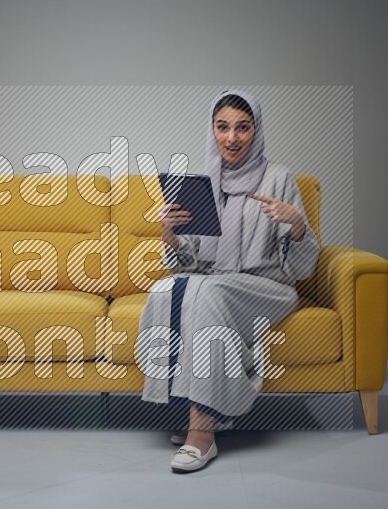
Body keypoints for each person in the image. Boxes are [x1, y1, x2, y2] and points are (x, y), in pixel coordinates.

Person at [136, 89, 320, 473]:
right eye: (222, 128)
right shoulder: (205, 181)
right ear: (213, 130)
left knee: (207, 289)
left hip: (265, 288)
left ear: (256, 131)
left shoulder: (279, 178)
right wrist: (168, 234)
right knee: (165, 289)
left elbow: (302, 269)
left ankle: (202, 433)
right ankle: (194, 409)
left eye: (242, 128)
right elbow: (184, 264)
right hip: (213, 284)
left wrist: (297, 224)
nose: (232, 138)